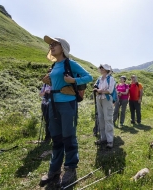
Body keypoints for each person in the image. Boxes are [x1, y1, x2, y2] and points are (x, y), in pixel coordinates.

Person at [40, 35, 93, 188]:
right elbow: (55, 81)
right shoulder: (54, 66)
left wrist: (74, 81)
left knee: (68, 136)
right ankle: (54, 170)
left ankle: (70, 167)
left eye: (55, 44)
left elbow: (88, 77)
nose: (51, 46)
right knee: (56, 137)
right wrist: (49, 80)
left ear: (63, 47)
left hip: (68, 104)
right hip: (53, 104)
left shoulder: (70, 63)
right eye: (51, 44)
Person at [93, 64, 115, 149]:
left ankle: (110, 140)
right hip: (99, 99)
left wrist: (99, 90)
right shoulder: (99, 79)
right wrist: (96, 89)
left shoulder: (111, 78)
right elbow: (95, 86)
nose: (101, 69)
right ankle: (103, 138)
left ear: (106, 70)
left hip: (107, 99)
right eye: (100, 68)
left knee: (108, 118)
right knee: (100, 118)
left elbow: (110, 90)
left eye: (102, 68)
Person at [39, 68, 52, 142]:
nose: (49, 74)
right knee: (47, 120)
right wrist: (45, 92)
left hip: (53, 103)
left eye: (51, 72)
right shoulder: (44, 84)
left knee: (53, 120)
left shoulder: (56, 83)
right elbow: (40, 94)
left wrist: (51, 92)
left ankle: (54, 136)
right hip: (44, 103)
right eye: (49, 72)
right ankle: (47, 137)